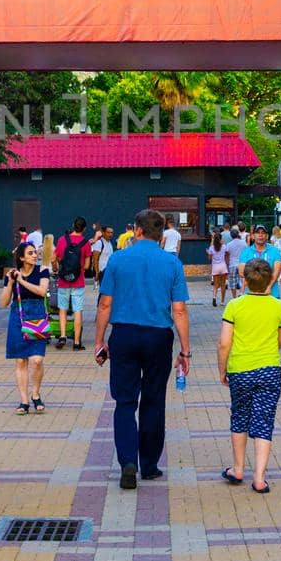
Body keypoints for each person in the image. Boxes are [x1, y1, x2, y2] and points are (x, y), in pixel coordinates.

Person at [94, 209, 192, 489]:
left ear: (137, 230)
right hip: (158, 337)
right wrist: (185, 351)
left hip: (123, 335)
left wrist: (100, 340)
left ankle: (127, 461)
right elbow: (180, 310)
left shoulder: (118, 259)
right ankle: (149, 465)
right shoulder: (172, 263)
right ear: (161, 235)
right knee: (153, 400)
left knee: (124, 402)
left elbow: (104, 304)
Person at [218, 258, 281, 494]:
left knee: (240, 416)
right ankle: (259, 478)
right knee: (264, 420)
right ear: (269, 281)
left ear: (245, 281)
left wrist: (222, 369)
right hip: (270, 369)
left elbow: (224, 343)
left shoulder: (234, 306)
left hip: (240, 369)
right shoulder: (278, 306)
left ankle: (238, 469)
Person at [2, 243, 50, 412]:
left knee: (37, 360)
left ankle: (35, 394)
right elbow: (3, 302)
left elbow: (42, 291)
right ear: (21, 258)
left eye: (35, 252)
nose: (34, 255)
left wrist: (21, 281)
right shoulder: (12, 274)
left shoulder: (42, 271)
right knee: (21, 360)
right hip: (18, 317)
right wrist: (10, 283)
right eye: (30, 253)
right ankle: (24, 401)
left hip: (37, 316)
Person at [54, 217, 92, 350]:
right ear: (84, 228)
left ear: (73, 225)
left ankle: (63, 335)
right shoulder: (86, 243)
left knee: (63, 309)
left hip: (63, 280)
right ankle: (76, 342)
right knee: (77, 311)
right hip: (78, 281)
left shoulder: (62, 240)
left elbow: (57, 258)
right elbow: (87, 266)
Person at [238, 224, 281, 298]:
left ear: (267, 236)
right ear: (253, 236)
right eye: (258, 233)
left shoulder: (275, 251)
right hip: (251, 295)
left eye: (263, 233)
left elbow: (277, 271)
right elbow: (241, 272)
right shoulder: (246, 252)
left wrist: (269, 287)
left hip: (271, 294)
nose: (260, 235)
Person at [223, 226, 248, 298]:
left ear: (231, 236)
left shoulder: (229, 244)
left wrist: (227, 263)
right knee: (242, 280)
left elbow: (227, 255)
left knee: (232, 282)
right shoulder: (243, 243)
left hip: (232, 264)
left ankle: (234, 297)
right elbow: (246, 252)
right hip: (242, 264)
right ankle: (241, 293)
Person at [207, 231, 229, 307]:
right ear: (220, 239)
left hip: (215, 267)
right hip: (223, 266)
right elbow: (227, 254)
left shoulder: (211, 248)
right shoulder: (224, 246)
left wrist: (209, 253)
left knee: (215, 285)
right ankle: (222, 301)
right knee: (223, 285)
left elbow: (209, 258)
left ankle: (214, 297)